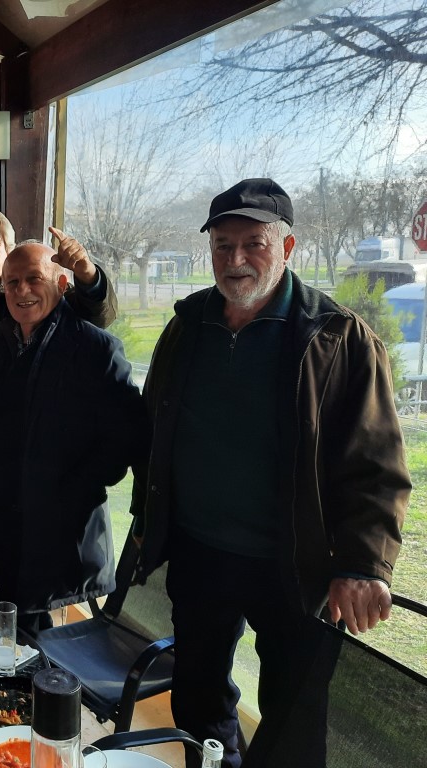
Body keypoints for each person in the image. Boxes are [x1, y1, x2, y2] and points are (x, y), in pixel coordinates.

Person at [130, 178, 410, 768]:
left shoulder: (338, 338)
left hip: (296, 567)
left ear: (286, 248)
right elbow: (154, 426)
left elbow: (376, 465)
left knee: (293, 723)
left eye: (253, 243)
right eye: (222, 245)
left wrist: (364, 564)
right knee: (197, 701)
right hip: (200, 554)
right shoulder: (187, 326)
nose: (235, 259)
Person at [0, 242, 147, 630]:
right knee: (9, 631)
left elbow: (126, 436)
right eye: (12, 282)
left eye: (34, 279)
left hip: (57, 530)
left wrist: (72, 486)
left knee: (46, 643)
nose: (22, 290)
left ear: (61, 284)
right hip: (1, 522)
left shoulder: (95, 347)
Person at [0, 207, 118, 602]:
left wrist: (88, 274)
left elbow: (94, 316)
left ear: (7, 250)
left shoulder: (40, 313)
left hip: (40, 499)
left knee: (29, 603)